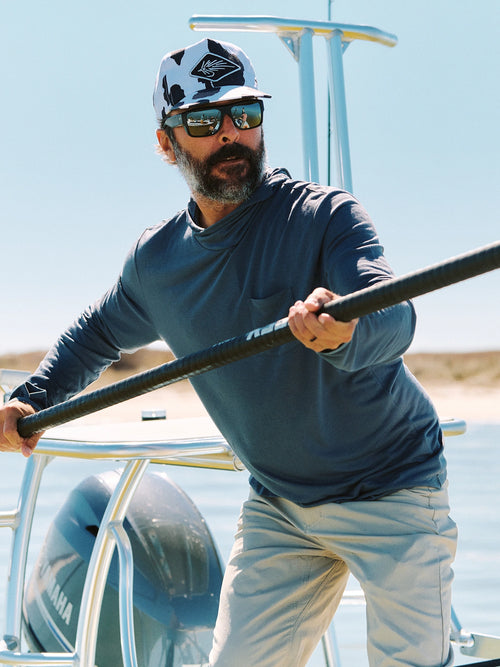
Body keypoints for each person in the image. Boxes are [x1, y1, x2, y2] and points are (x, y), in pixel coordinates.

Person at [0, 38, 456, 666]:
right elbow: (95, 335)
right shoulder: (157, 264)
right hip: (280, 507)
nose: (229, 135)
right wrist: (31, 399)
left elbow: (394, 316)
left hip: (395, 489)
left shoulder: (326, 216)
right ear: (167, 143)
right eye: (202, 122)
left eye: (244, 114)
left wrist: (347, 329)